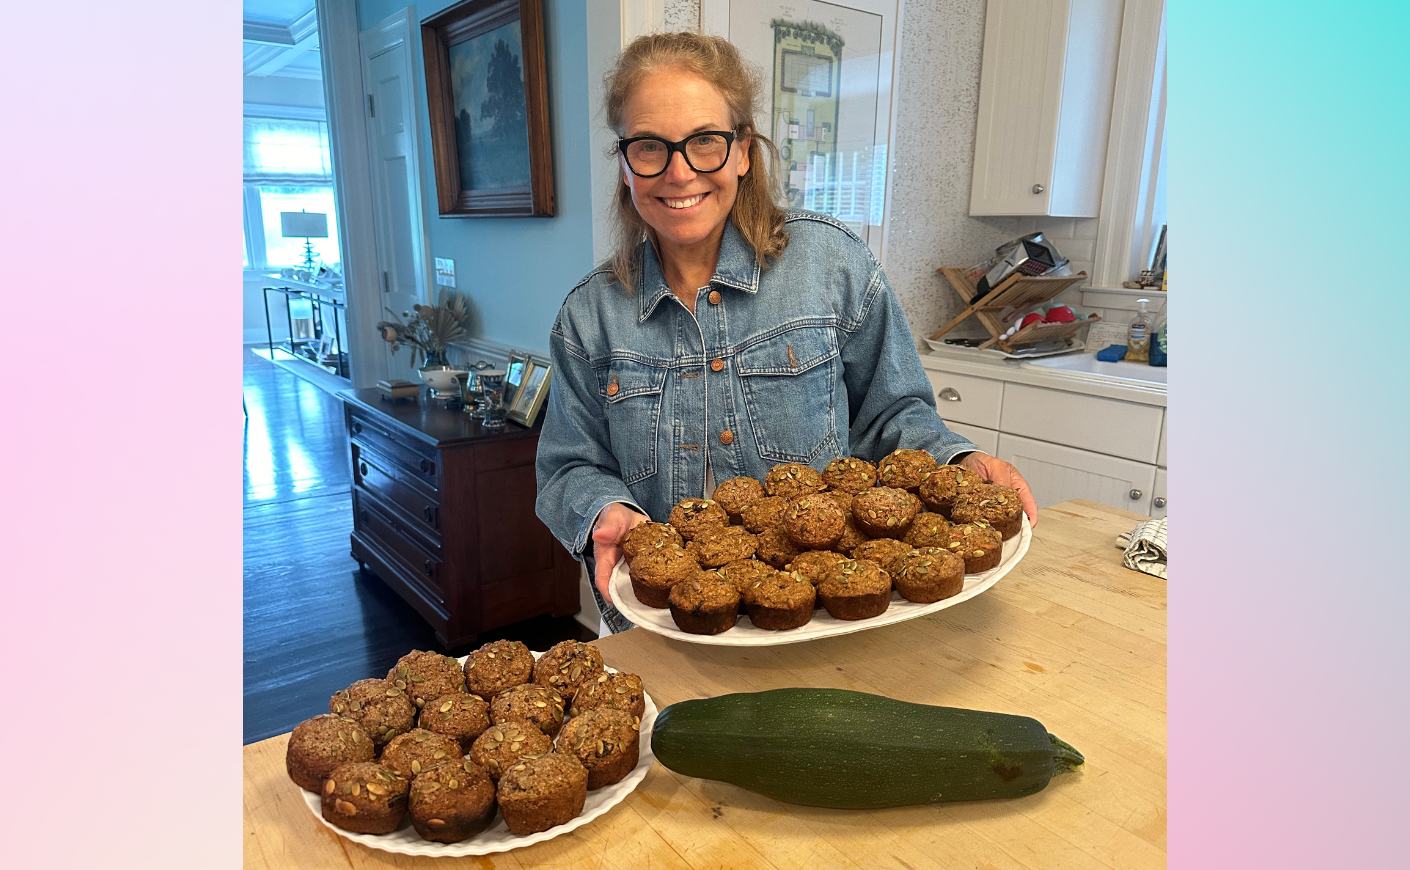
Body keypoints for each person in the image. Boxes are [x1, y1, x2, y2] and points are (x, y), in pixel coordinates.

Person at [535, 33, 1037, 634]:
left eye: (705, 142)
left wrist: (957, 461)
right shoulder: (588, 318)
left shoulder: (832, 265)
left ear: (744, 151)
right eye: (649, 147)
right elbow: (569, 465)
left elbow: (893, 417)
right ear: (624, 163)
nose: (679, 171)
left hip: (822, 620)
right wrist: (601, 511)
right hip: (666, 631)